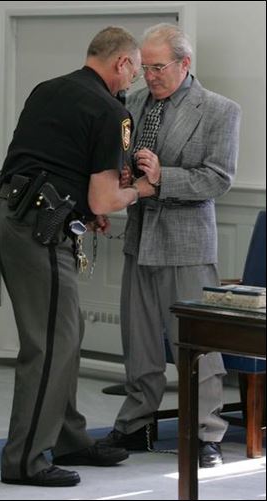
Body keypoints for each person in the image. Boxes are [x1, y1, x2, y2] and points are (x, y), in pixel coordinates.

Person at [0, 26, 155, 488]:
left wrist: (82, 203)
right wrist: (144, 188)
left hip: (6, 214)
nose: (134, 81)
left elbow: (50, 158)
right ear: (121, 63)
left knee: (66, 332)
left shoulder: (50, 88)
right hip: (38, 229)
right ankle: (26, 460)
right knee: (49, 346)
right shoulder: (111, 110)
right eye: (136, 71)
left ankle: (68, 437)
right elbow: (105, 200)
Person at [99, 23, 241, 468]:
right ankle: (136, 424)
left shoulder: (219, 110)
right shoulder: (133, 100)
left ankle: (207, 434)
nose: (150, 76)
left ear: (185, 63)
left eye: (159, 67)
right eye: (146, 67)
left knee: (197, 345)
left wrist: (162, 178)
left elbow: (218, 178)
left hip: (186, 243)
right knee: (139, 342)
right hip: (138, 237)